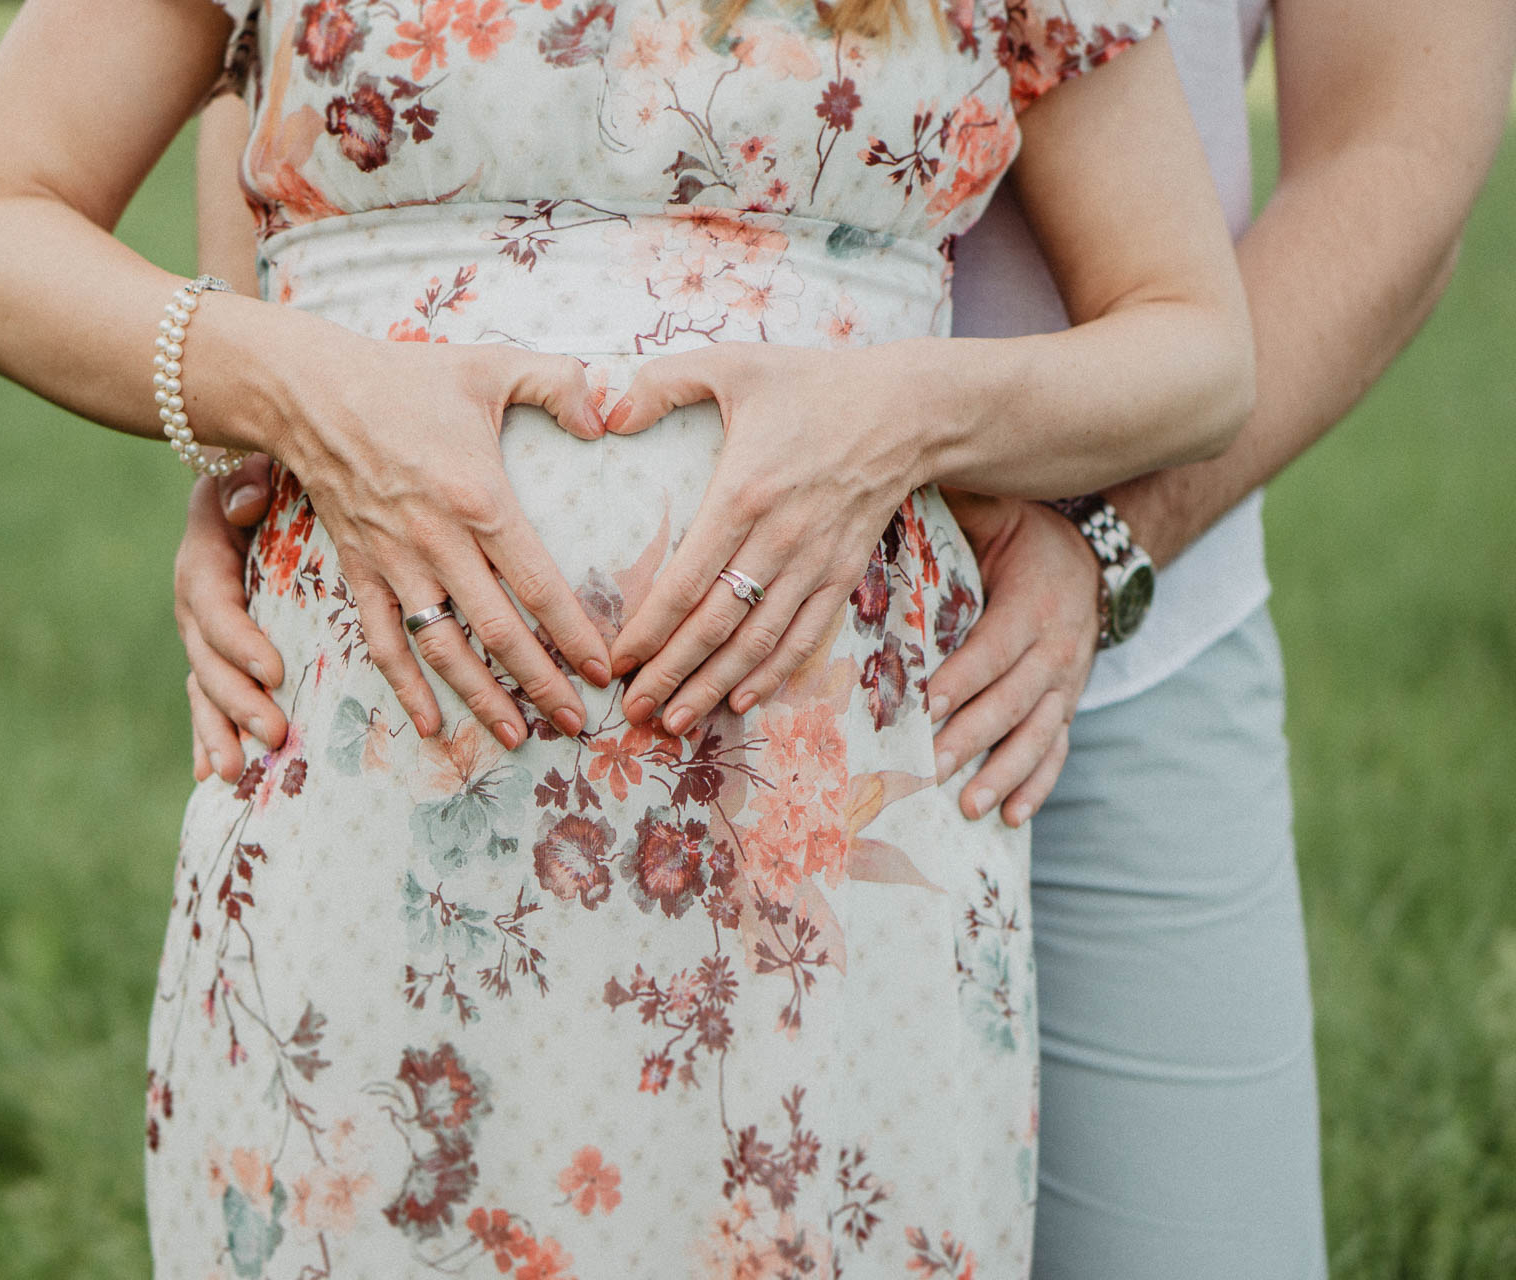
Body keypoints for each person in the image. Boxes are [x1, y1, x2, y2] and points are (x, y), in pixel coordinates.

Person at [0, 0, 1256, 1273]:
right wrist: (289, 390)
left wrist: (903, 415)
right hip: (372, 812)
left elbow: (1195, 345)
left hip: (830, 849)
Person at [172, 1, 1516, 1276]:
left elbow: (1397, 148)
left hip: (1053, 646)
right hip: (448, 711)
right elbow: (283, 93)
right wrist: (271, 443)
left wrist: (1107, 538)